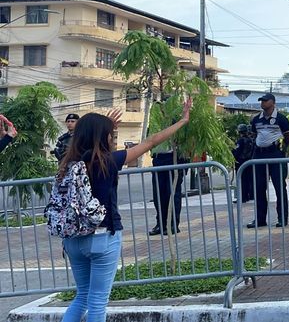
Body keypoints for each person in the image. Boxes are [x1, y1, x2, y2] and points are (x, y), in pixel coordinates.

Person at [58, 100, 191, 322]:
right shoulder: (108, 161)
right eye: (109, 135)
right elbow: (151, 141)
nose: (112, 138)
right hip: (102, 236)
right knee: (98, 302)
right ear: (102, 136)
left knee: (81, 297)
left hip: (72, 239)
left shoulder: (67, 163)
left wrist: (108, 126)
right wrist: (183, 120)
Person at [248, 93, 289, 228]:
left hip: (275, 154)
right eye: (261, 101)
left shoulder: (281, 118)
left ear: (272, 102)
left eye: (265, 101)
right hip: (260, 155)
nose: (262, 103)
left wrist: (281, 149)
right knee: (259, 188)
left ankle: (282, 218)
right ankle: (260, 219)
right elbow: (255, 134)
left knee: (279, 187)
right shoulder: (256, 119)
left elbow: (288, 137)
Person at [147, 129, 189, 236]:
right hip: (158, 158)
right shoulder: (155, 118)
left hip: (173, 157)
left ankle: (172, 225)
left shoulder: (177, 118)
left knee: (172, 194)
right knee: (158, 195)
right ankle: (160, 224)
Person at [232, 123, 255, 204]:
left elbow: (237, 152)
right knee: (248, 180)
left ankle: (243, 197)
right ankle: (249, 195)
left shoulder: (241, 140)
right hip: (249, 162)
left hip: (241, 162)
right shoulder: (250, 140)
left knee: (241, 180)